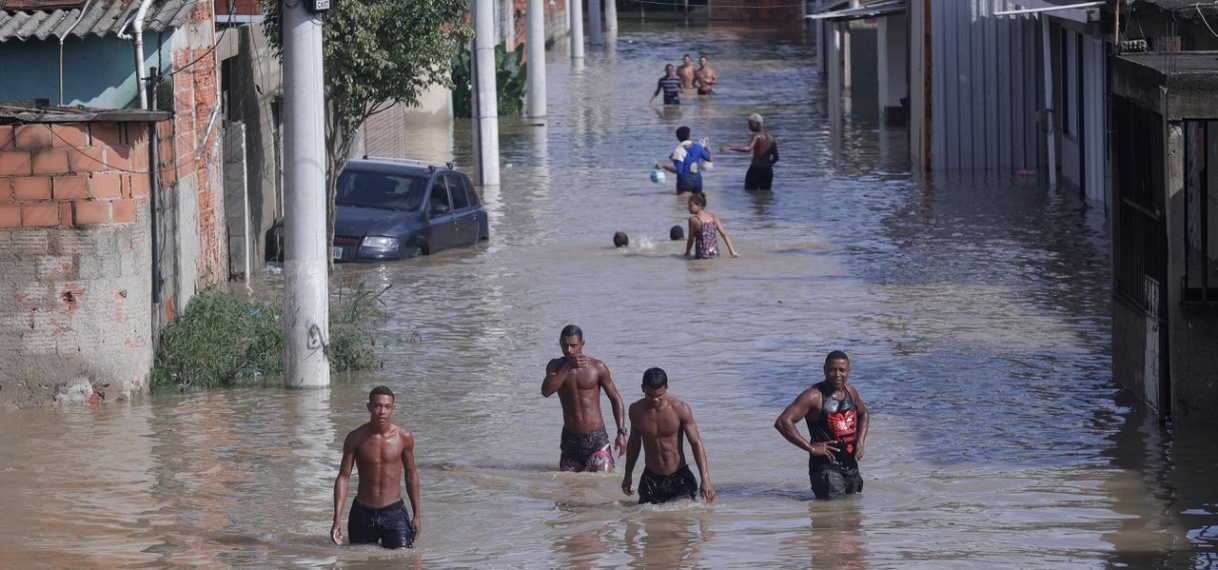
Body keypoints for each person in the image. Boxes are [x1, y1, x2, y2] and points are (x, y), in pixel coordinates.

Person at [331, 386, 421, 549]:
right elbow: (343, 477)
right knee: (359, 562)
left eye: (387, 407)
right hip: (362, 513)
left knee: (401, 558)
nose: (382, 411)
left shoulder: (404, 437)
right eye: (377, 406)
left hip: (394, 512)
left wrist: (416, 514)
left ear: (393, 408)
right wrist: (337, 517)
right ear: (369, 407)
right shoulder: (355, 438)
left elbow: (410, 473)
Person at [774, 350, 870, 500]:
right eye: (833, 370)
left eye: (842, 370)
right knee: (833, 516)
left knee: (854, 514)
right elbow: (783, 422)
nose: (838, 374)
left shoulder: (851, 392)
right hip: (826, 468)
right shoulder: (813, 396)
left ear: (849, 371)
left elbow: (864, 414)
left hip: (851, 466)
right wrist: (810, 447)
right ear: (824, 370)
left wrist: (861, 442)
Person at [621, 367, 715, 504]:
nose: (655, 400)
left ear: (666, 388)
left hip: (679, 477)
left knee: (683, 511)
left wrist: (705, 479)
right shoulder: (636, 410)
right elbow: (634, 443)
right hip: (651, 479)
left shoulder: (680, 409)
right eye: (650, 395)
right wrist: (627, 475)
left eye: (659, 396)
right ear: (642, 388)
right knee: (648, 520)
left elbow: (696, 443)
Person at [541, 324, 628, 472]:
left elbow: (615, 399)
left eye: (573, 345)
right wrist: (567, 366)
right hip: (570, 440)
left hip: (596, 438)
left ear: (582, 344)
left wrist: (621, 432)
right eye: (565, 345)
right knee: (571, 489)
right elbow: (546, 391)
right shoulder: (555, 366)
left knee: (603, 481)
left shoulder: (597, 367)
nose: (569, 350)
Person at [720, 113, 779, 191]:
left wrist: (730, 148)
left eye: (751, 124)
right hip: (768, 171)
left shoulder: (757, 136)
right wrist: (767, 165)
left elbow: (748, 148)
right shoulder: (771, 137)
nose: (749, 127)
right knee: (765, 195)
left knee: (749, 193)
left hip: (756, 169)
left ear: (758, 124)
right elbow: (776, 157)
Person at [655, 126, 712, 195]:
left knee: (680, 203)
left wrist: (664, 166)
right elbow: (710, 159)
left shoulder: (678, 150)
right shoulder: (698, 147)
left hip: (685, 181)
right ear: (689, 136)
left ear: (678, 138)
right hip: (697, 180)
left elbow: (678, 170)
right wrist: (708, 150)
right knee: (698, 201)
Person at [684, 193, 738, 260]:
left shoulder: (693, 219)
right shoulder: (713, 217)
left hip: (701, 255)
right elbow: (723, 234)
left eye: (690, 205)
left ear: (699, 205)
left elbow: (690, 239)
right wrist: (732, 251)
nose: (688, 207)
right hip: (715, 253)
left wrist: (687, 252)